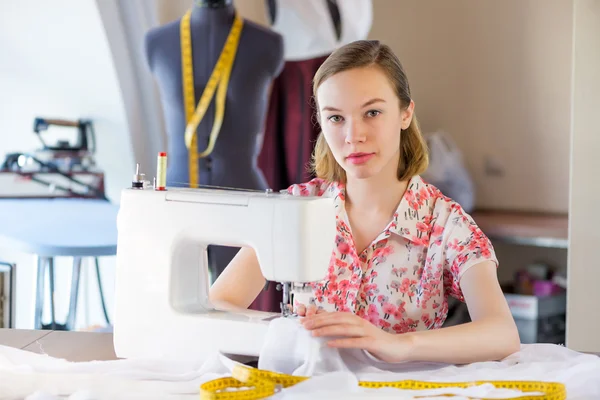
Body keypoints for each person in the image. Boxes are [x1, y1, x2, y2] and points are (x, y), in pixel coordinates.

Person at [210, 39, 520, 365]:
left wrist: (398, 345)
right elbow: (218, 306)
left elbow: (502, 333)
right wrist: (286, 333)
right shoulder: (295, 210)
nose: (353, 135)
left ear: (405, 113)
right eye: (335, 118)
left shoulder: (446, 225)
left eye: (372, 112)